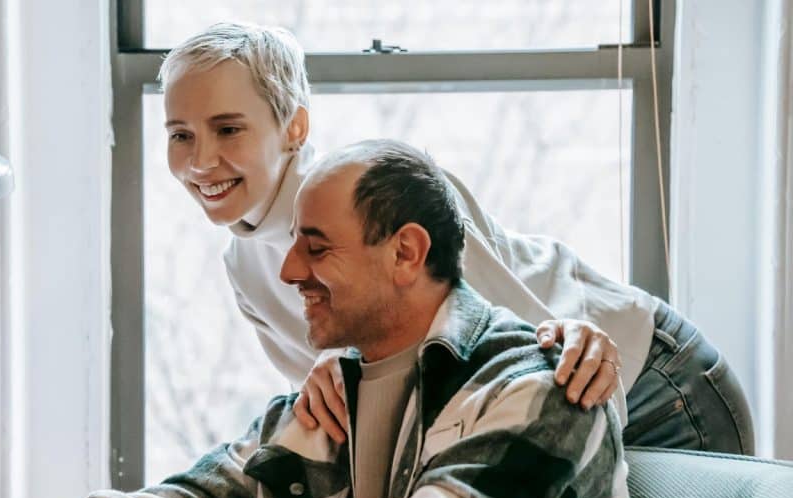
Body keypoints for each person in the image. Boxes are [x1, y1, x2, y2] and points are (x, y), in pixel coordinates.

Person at [0, 140, 668, 498]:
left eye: (316, 247)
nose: (290, 270)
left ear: (406, 253)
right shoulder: (326, 396)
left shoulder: (544, 385)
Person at [159, 22, 755, 454]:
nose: (201, 160)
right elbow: (350, 412)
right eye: (181, 135)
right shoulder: (245, 264)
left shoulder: (387, 193)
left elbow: (524, 347)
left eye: (228, 128)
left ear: (295, 126)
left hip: (651, 384)